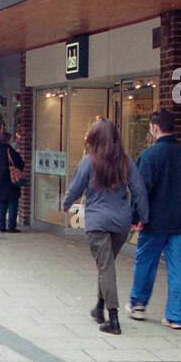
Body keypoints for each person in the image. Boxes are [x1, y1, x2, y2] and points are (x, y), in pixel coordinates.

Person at [62, 118, 149, 335]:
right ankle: (99, 309)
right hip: (121, 224)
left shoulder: (88, 161)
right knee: (106, 265)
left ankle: (113, 319)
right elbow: (139, 190)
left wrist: (65, 204)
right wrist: (143, 217)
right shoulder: (126, 162)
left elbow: (76, 188)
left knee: (105, 267)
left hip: (97, 222)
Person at [129, 108, 181, 330]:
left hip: (153, 222)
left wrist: (137, 216)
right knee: (178, 268)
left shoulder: (149, 156)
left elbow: (142, 191)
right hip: (180, 222)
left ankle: (138, 305)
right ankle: (175, 316)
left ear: (154, 128)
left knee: (145, 263)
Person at [0, 130, 26, 234]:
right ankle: (11, 226)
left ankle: (1, 226)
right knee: (13, 203)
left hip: (0, 182)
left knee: (2, 203)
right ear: (9, 140)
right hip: (11, 181)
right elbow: (20, 164)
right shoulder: (11, 151)